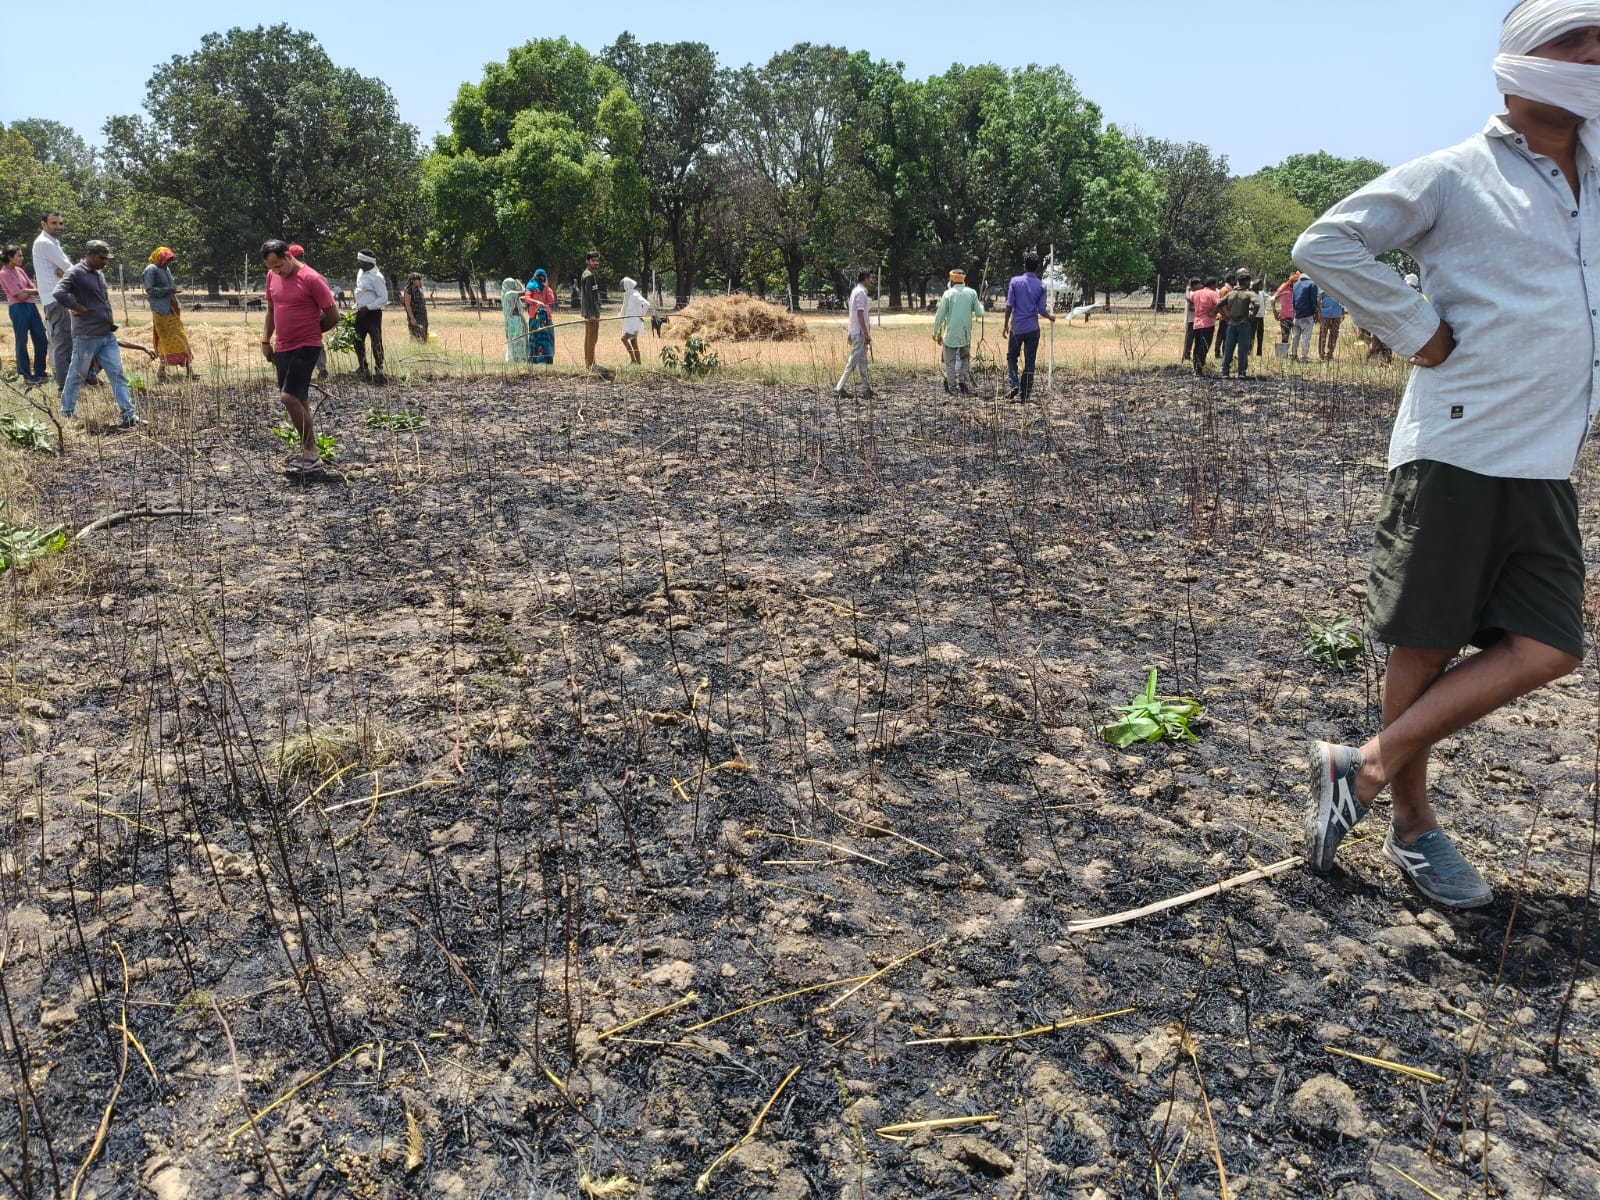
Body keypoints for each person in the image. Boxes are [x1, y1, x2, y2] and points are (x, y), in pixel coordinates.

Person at [1294, 0, 1600, 910]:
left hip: (1548, 455)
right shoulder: (1458, 173)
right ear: (1518, 65)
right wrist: (1417, 329)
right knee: (1423, 642)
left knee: (1550, 645)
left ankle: (1366, 765)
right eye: (1575, 41)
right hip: (1458, 445)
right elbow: (1325, 242)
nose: (1594, 56)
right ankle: (1415, 829)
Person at [260, 238, 339, 474]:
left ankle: (310, 453)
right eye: (271, 268)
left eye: (278, 266)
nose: (276, 272)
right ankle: (310, 455)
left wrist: (313, 332)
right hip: (282, 346)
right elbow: (272, 309)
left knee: (288, 397)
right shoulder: (272, 277)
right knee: (300, 399)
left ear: (288, 256)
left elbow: (333, 315)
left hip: (307, 345)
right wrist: (265, 339)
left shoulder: (312, 279)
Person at [52, 240, 139, 426]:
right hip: (87, 335)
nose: (105, 262)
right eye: (101, 258)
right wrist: (75, 306)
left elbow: (100, 301)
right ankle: (66, 414)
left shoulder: (99, 274)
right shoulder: (75, 272)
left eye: (106, 258)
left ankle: (129, 415)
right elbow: (58, 292)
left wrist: (108, 321)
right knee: (76, 375)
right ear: (90, 254)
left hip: (106, 335)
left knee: (117, 374)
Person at [33, 211, 95, 390]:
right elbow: (69, 268)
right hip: (56, 298)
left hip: (57, 297)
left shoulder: (52, 243)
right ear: (44, 224)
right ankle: (64, 386)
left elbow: (64, 270)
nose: (59, 227)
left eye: (61, 223)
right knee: (62, 342)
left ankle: (72, 382)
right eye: (54, 223)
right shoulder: (45, 243)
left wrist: (64, 273)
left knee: (65, 340)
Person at [1001, 253, 1055, 399]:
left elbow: (1009, 306)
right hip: (1032, 329)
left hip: (1017, 328)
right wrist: (1051, 317)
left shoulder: (1015, 282)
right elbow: (1041, 310)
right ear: (1037, 267)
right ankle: (1025, 394)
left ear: (1024, 265)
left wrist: (1006, 325)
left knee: (1012, 357)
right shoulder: (1041, 286)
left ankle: (1014, 383)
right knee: (1030, 360)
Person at [141, 247, 196, 381]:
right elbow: (149, 289)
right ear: (158, 258)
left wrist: (171, 291)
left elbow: (169, 287)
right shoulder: (151, 269)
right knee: (166, 340)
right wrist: (167, 290)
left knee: (181, 337)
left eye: (169, 262)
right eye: (165, 261)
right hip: (161, 310)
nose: (167, 264)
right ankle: (163, 371)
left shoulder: (166, 269)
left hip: (172, 308)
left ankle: (189, 371)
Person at [931, 267, 984, 394]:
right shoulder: (971, 293)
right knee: (965, 359)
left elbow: (940, 316)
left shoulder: (948, 294)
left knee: (950, 362)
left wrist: (935, 331)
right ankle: (963, 382)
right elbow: (980, 313)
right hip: (965, 335)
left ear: (951, 280)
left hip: (950, 335)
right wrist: (980, 304)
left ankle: (952, 388)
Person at [1, 244, 48, 384]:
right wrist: (28, 291)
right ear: (10, 257)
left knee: (41, 339)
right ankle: (25, 374)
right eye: (19, 255)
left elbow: (33, 288)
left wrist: (25, 291)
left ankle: (40, 371)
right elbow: (19, 297)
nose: (22, 258)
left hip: (31, 307)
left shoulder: (20, 270)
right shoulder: (4, 273)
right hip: (18, 308)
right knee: (22, 341)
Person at [287, 245, 330, 379]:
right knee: (315, 343)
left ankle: (311, 370)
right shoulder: (315, 275)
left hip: (308, 317)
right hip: (311, 317)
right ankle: (321, 369)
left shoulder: (306, 276)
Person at [834, 267, 874, 398]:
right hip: (860, 333)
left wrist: (850, 332)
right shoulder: (861, 292)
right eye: (870, 278)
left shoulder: (855, 291)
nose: (871, 280)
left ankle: (866, 388)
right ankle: (839, 387)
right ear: (866, 278)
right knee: (853, 360)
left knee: (862, 360)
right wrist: (866, 333)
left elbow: (852, 315)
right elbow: (860, 314)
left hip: (856, 331)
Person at [352, 249, 387, 384]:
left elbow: (383, 298)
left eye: (360, 261)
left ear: (368, 263)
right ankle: (363, 367)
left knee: (376, 341)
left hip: (372, 314)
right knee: (357, 340)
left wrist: (368, 307)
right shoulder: (361, 273)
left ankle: (379, 369)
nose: (358, 262)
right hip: (360, 313)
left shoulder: (377, 277)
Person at [1219, 271, 1260, 378]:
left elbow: (1218, 305)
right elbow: (1257, 304)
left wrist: (1226, 316)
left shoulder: (1231, 293)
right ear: (1246, 282)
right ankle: (1241, 372)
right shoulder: (1248, 294)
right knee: (1243, 349)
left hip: (1231, 324)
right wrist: (1252, 316)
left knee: (1228, 349)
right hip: (1244, 323)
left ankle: (1225, 372)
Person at [1189, 277, 1220, 374]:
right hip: (1207, 323)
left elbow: (1190, 301)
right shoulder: (1213, 294)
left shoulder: (1196, 293)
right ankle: (1199, 368)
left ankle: (1195, 367)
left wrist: (1198, 309)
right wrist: (1215, 311)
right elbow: (1220, 303)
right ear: (1213, 285)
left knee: (1197, 346)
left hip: (1197, 323)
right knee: (1204, 347)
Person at [618, 277, 651, 364]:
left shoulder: (635, 295)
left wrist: (641, 315)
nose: (620, 287)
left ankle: (633, 360)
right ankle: (639, 363)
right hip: (628, 323)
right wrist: (621, 316)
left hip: (634, 323)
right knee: (634, 343)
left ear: (626, 285)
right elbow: (625, 308)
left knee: (623, 339)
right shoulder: (628, 295)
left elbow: (647, 304)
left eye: (622, 285)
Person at [526, 269, 555, 364]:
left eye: (544, 277)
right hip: (535, 317)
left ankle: (546, 360)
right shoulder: (531, 286)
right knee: (536, 337)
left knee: (546, 338)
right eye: (540, 276)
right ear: (536, 276)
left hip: (546, 317)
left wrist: (546, 287)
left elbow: (551, 300)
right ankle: (535, 360)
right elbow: (527, 299)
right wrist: (536, 302)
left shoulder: (546, 288)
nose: (542, 279)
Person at [580, 250, 602, 369]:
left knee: (590, 337)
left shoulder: (590, 273)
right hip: (591, 313)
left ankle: (590, 362)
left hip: (591, 311)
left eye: (597, 260)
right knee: (592, 338)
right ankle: (590, 364)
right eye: (593, 260)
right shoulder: (588, 275)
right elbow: (588, 296)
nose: (595, 263)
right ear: (587, 261)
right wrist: (592, 314)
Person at [1290, 273, 1319, 361]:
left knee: (1295, 336)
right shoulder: (1312, 284)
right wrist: (1316, 312)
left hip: (1297, 314)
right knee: (1306, 336)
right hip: (1307, 314)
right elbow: (1313, 301)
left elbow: (1293, 301)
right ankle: (1304, 356)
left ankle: (1293, 354)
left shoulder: (1295, 285)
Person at [501, 278, 528, 361]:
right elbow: (525, 292)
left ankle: (519, 358)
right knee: (516, 340)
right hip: (514, 321)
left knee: (519, 340)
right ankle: (515, 359)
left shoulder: (508, 294)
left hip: (515, 320)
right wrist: (520, 284)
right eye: (513, 284)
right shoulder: (509, 293)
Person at [1317, 287, 1346, 361]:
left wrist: (1342, 313)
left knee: (1334, 334)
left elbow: (1342, 301)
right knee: (1324, 333)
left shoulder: (1339, 288)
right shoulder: (1324, 285)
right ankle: (1322, 354)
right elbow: (1318, 299)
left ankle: (1330, 353)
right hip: (1326, 313)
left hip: (1336, 313)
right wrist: (1319, 312)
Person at [1273, 272, 1299, 348]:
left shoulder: (1299, 290)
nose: (1295, 282)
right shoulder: (1283, 288)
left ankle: (1293, 354)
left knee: (1295, 337)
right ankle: (1284, 354)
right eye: (1294, 281)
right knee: (1285, 337)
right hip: (1284, 316)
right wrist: (1275, 312)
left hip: (1296, 316)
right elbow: (1273, 299)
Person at [402, 273, 428, 343]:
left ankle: (422, 349)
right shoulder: (408, 291)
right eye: (418, 279)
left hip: (422, 315)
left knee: (423, 333)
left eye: (420, 279)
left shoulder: (420, 289)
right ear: (413, 281)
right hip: (414, 315)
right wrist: (412, 318)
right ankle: (415, 350)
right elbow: (407, 305)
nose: (420, 281)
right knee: (416, 334)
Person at [1181, 277, 1200, 362]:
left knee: (1192, 338)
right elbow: (1191, 308)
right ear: (1194, 285)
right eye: (1198, 284)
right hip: (1191, 319)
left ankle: (1188, 354)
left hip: (1193, 319)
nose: (1200, 286)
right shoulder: (1191, 294)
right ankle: (1187, 355)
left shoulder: (1191, 293)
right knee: (1190, 338)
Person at [1252, 277, 1271, 356]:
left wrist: (1278, 294)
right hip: (1253, 317)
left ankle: (1259, 353)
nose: (1262, 286)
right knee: (1251, 336)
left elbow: (1270, 298)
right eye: (1261, 285)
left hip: (1260, 317)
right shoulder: (1251, 294)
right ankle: (1250, 352)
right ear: (1257, 285)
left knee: (1260, 336)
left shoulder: (1262, 293)